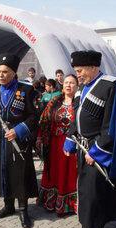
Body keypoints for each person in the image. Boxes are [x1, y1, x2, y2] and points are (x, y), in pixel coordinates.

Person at [63, 50, 116, 228]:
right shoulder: (86, 86)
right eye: (75, 70)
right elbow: (79, 115)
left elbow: (113, 125)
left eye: (80, 70)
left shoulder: (109, 85)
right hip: (83, 148)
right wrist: (70, 138)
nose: (77, 74)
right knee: (88, 190)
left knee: (91, 193)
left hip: (97, 150)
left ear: (93, 67)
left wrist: (97, 151)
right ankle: (94, 227)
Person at [0, 53, 38, 228]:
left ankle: (23, 210)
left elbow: (34, 116)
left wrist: (19, 130)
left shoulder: (27, 90)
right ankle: (8, 206)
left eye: (5, 72)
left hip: (18, 139)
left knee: (19, 174)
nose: (1, 75)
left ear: (14, 73)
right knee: (2, 171)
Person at [37, 74, 78, 215]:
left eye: (72, 83)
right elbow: (44, 120)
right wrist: (41, 139)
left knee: (70, 173)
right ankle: (51, 200)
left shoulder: (80, 102)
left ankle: (71, 203)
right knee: (55, 172)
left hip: (72, 146)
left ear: (77, 86)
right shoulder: (55, 101)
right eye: (66, 82)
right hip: (54, 145)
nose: (68, 85)